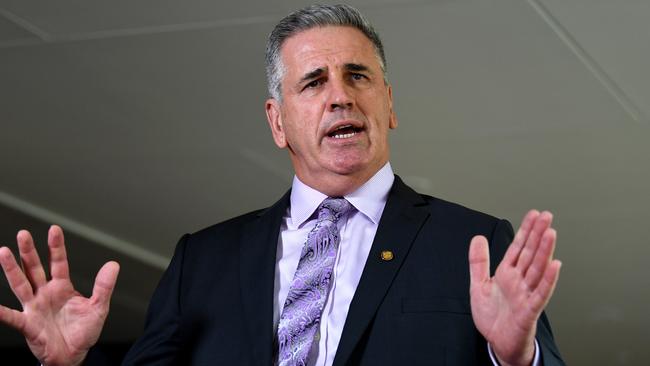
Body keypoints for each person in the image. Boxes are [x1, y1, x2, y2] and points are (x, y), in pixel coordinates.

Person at [0, 4, 565, 366]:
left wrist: (516, 357)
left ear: (388, 104)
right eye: (315, 81)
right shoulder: (204, 260)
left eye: (358, 76)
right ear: (277, 121)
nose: (340, 95)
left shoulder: (472, 243)